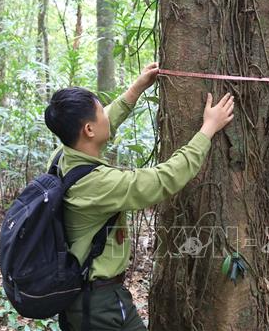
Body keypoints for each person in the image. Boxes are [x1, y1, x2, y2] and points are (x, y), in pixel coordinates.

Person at [44, 62, 234, 330]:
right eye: (100, 113)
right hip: (99, 304)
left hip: (80, 296)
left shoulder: (60, 157)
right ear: (88, 129)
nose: (105, 117)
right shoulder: (99, 184)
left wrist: (137, 88)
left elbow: (108, 118)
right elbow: (163, 179)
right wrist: (207, 130)